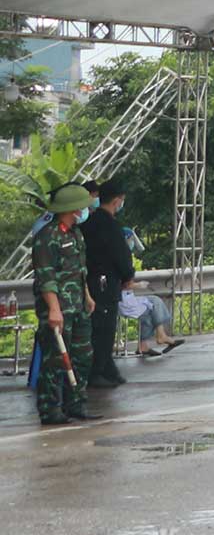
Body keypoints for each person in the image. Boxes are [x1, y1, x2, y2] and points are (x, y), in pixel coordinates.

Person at [30, 183, 92, 424]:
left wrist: (87, 296)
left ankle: (75, 402)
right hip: (58, 309)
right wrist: (54, 309)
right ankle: (50, 408)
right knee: (55, 360)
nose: (84, 210)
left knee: (82, 355)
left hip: (78, 306)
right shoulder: (47, 237)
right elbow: (46, 277)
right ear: (72, 208)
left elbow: (80, 270)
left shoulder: (75, 233)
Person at [80, 180, 132, 389]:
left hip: (91, 280)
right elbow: (121, 255)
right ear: (117, 200)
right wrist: (128, 276)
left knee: (99, 327)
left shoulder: (88, 223)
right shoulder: (110, 225)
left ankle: (108, 368)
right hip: (105, 282)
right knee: (104, 328)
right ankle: (97, 371)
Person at [120, 277, 180, 357]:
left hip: (123, 300)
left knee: (150, 309)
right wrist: (138, 285)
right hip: (123, 302)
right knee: (155, 302)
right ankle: (161, 335)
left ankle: (143, 345)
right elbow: (122, 285)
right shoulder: (121, 270)